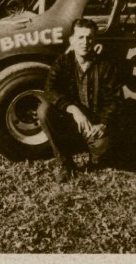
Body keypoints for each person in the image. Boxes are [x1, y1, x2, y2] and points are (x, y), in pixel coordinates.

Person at [37, 18, 121, 182]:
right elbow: (50, 90)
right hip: (69, 122)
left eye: (89, 38)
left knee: (102, 151)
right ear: (72, 40)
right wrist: (73, 109)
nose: (85, 42)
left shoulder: (105, 65)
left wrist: (103, 123)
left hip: (94, 124)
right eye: (80, 37)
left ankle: (93, 155)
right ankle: (64, 163)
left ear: (94, 40)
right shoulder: (63, 62)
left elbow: (115, 99)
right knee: (43, 110)